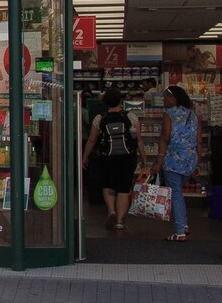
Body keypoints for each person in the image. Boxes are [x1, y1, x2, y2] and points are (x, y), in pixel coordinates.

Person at [82, 89, 139, 232]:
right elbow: (139, 139)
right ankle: (120, 221)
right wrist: (143, 157)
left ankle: (111, 210)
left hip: (106, 157)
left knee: (107, 186)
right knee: (124, 188)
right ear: (120, 100)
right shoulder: (131, 116)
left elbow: (92, 140)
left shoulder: (100, 118)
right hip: (127, 157)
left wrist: (85, 157)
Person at [152, 84, 200, 243]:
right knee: (179, 192)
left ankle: (180, 232)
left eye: (165, 97)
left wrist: (158, 161)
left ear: (173, 98)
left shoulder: (169, 114)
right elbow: (198, 140)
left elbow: (165, 137)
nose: (164, 100)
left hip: (173, 159)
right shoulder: (193, 114)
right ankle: (184, 225)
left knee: (176, 194)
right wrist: (197, 161)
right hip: (190, 160)